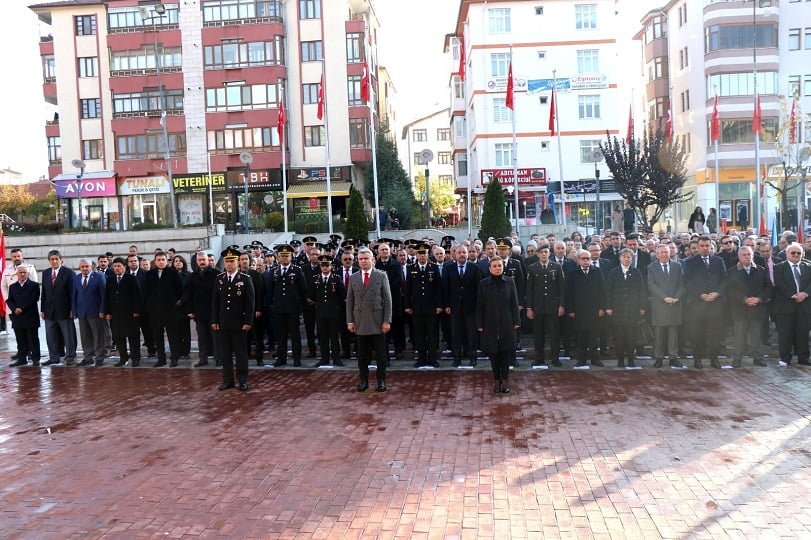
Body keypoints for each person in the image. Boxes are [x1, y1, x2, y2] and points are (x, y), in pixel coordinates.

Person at [346, 247, 393, 392]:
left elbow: (388, 300)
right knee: (362, 356)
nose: (363, 261)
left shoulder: (381, 275)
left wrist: (387, 320)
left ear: (372, 259)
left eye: (366, 258)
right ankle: (364, 381)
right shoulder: (353, 277)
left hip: (377, 321)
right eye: (360, 259)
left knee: (381, 355)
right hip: (360, 321)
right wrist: (350, 321)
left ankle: (381, 381)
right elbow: (349, 301)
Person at [212, 247, 255, 391]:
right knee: (225, 355)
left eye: (232, 261)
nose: (229, 264)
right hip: (224, 323)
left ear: (237, 262)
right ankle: (228, 380)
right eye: (227, 261)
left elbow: (250, 303)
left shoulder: (244, 279)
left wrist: (248, 322)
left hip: (239, 323)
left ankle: (242, 380)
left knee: (241, 354)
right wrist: (215, 320)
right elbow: (215, 302)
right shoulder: (219, 279)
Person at [476, 256, 520, 393]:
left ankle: (505, 380)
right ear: (489, 268)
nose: (497, 268)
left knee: (505, 352)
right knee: (494, 353)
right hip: (490, 323)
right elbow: (480, 305)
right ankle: (496, 380)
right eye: (494, 266)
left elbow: (514, 303)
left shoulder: (509, 282)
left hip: (507, 322)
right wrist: (480, 323)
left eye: (499, 266)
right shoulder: (484, 283)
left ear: (503, 267)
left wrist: (516, 321)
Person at [682, 235, 728, 369]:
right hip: (698, 305)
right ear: (697, 247)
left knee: (715, 333)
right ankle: (698, 359)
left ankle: (714, 359)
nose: (704, 248)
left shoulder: (718, 261)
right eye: (701, 246)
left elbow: (724, 280)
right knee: (697, 333)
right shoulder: (690, 262)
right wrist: (700, 295)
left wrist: (717, 293)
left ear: (711, 246)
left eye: (707, 246)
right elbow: (687, 282)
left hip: (715, 304)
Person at [727, 246, 771, 367]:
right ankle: (737, 358)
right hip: (740, 309)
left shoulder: (761, 270)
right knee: (739, 335)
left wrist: (759, 299)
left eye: (749, 254)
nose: (747, 257)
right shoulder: (732, 271)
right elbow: (730, 290)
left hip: (757, 308)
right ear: (739, 257)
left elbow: (768, 287)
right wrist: (744, 299)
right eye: (744, 255)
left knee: (756, 335)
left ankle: (757, 357)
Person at [604, 249, 647, 368]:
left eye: (629, 257)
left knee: (631, 337)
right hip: (618, 309)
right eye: (624, 257)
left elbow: (642, 290)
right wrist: (608, 306)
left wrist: (642, 306)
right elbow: (608, 291)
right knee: (619, 337)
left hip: (632, 310)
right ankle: (620, 360)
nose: (626, 259)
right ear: (620, 258)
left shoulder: (636, 272)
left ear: (632, 259)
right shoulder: (614, 272)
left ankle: (631, 359)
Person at [525, 243, 565, 367]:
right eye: (541, 252)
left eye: (546, 252)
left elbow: (562, 288)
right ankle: (539, 358)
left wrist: (561, 305)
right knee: (538, 335)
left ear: (549, 253)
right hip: (538, 307)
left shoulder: (557, 267)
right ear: (537, 254)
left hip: (553, 307)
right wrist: (529, 308)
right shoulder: (532, 268)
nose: (543, 254)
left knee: (554, 335)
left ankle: (555, 358)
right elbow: (529, 290)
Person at [565, 249, 607, 368]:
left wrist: (602, 308)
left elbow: (603, 291)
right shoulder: (573, 273)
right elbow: (568, 293)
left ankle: (595, 359)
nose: (586, 261)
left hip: (594, 310)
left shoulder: (597, 271)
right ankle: (581, 359)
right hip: (579, 310)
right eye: (583, 259)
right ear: (578, 260)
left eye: (588, 258)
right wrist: (571, 310)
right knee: (581, 337)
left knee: (594, 337)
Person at [404, 242, 444, 367]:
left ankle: (432, 358)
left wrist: (439, 305)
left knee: (432, 333)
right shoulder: (411, 268)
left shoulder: (433, 267)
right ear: (416, 255)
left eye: (424, 254)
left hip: (431, 307)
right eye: (420, 254)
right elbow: (407, 289)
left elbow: (439, 288)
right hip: (416, 308)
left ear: (428, 255)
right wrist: (408, 306)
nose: (422, 256)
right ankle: (421, 358)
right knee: (419, 334)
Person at [772, 243, 811, 366]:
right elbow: (779, 283)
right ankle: (785, 358)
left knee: (803, 333)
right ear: (787, 254)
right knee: (785, 333)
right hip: (786, 306)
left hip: (804, 305)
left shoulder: (808, 266)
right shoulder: (779, 267)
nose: (796, 255)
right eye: (793, 253)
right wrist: (793, 295)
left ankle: (803, 358)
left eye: (799, 253)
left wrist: (805, 294)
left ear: (802, 254)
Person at [647, 245, 685, 368]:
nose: (664, 255)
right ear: (657, 255)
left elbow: (682, 284)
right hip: (660, 304)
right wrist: (664, 297)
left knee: (673, 332)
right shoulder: (651, 267)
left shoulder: (677, 266)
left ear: (670, 254)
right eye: (661, 252)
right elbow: (651, 285)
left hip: (675, 303)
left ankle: (673, 357)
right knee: (659, 332)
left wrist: (677, 297)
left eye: (666, 252)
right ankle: (659, 357)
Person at [443, 244, 481, 367]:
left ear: (467, 254)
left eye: (464, 252)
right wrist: (447, 305)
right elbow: (446, 288)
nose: (462, 255)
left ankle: (472, 357)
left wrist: (478, 306)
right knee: (456, 334)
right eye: (459, 252)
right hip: (455, 307)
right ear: (455, 254)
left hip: (471, 307)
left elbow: (478, 288)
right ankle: (457, 357)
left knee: (472, 334)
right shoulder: (448, 268)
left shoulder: (474, 267)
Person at [270, 244, 307, 367]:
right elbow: (270, 289)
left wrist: (300, 306)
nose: (285, 258)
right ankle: (282, 358)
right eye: (282, 256)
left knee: (295, 335)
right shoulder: (274, 271)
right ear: (278, 257)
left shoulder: (297, 270)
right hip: (279, 308)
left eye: (287, 256)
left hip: (293, 308)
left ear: (291, 256)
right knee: (281, 335)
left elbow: (303, 290)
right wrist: (273, 304)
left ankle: (297, 358)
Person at [144, 251, 183, 367]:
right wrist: (149, 306)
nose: (161, 262)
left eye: (163, 260)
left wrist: (176, 304)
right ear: (155, 261)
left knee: (172, 336)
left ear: (167, 261)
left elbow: (180, 291)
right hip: (155, 311)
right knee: (158, 336)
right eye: (158, 260)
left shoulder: (173, 273)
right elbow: (146, 292)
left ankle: (174, 358)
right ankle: (161, 359)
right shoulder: (150, 274)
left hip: (170, 310)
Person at [40, 250, 77, 366]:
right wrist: (42, 310)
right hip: (49, 311)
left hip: (65, 310)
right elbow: (44, 293)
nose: (54, 261)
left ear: (61, 260)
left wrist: (73, 309)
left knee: (68, 335)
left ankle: (70, 356)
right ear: (49, 261)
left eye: (56, 259)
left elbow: (73, 293)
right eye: (52, 259)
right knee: (50, 335)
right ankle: (53, 357)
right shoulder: (45, 273)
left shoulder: (69, 273)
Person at [102, 257, 142, 367]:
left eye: (119, 266)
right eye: (115, 266)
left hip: (130, 313)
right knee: (119, 337)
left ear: (124, 267)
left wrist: (137, 310)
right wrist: (107, 312)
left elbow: (137, 296)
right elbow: (107, 296)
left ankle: (135, 358)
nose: (116, 268)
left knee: (133, 337)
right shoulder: (110, 279)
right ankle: (123, 358)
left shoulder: (131, 278)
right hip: (115, 314)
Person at [308, 254, 346, 367]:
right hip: (320, 312)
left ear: (331, 266)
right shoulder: (315, 279)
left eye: (327, 265)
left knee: (334, 336)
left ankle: (336, 358)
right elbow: (311, 295)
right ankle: (324, 358)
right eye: (323, 265)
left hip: (333, 312)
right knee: (323, 336)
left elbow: (343, 294)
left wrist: (336, 305)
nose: (325, 267)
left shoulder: (336, 279)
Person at [72, 258, 107, 367]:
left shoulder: (99, 277)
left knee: (98, 335)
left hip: (96, 312)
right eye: (82, 267)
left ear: (91, 267)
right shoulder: (76, 278)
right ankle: (88, 357)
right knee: (85, 336)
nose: (84, 269)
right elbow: (74, 296)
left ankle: (99, 357)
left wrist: (102, 310)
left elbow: (103, 296)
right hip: (82, 312)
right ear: (79, 268)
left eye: (86, 266)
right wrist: (74, 310)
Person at [186, 252, 219, 367]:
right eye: (199, 260)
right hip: (199, 312)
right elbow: (190, 293)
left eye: (204, 259)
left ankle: (218, 359)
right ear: (196, 261)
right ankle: (203, 359)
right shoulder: (193, 275)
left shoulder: (217, 274)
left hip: (213, 312)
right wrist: (190, 310)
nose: (202, 262)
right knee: (202, 337)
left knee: (216, 337)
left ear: (208, 260)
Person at [7, 267, 41, 367]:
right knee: (20, 339)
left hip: (30, 316)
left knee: (33, 339)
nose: (22, 274)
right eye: (20, 272)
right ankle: (22, 359)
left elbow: (34, 298)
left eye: (24, 272)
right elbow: (9, 300)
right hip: (17, 317)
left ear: (28, 273)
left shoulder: (34, 285)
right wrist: (14, 309)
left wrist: (21, 308)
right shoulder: (12, 286)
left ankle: (35, 359)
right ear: (17, 274)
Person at [238, 252, 266, 365]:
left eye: (246, 259)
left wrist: (259, 309)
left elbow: (260, 293)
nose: (244, 261)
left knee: (258, 336)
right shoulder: (236, 274)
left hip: (254, 311)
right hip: (240, 312)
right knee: (243, 337)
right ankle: (243, 359)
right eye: (242, 259)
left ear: (250, 261)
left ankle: (259, 359)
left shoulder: (256, 275)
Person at [172, 255, 192, 359]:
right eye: (176, 261)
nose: (178, 263)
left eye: (180, 261)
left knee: (185, 330)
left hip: (184, 307)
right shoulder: (170, 275)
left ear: (183, 263)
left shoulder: (188, 275)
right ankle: (178, 351)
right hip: (173, 307)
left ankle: (186, 351)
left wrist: (181, 300)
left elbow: (189, 290)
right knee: (176, 330)